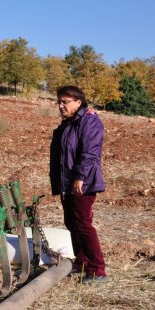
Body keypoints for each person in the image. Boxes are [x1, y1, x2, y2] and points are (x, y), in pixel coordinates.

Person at [49, 85, 108, 284]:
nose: (60, 105)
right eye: (59, 102)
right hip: (68, 183)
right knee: (72, 223)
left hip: (83, 183)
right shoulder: (68, 124)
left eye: (65, 102)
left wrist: (79, 177)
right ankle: (82, 263)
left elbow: (90, 152)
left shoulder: (89, 122)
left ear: (78, 102)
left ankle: (97, 270)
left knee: (83, 225)